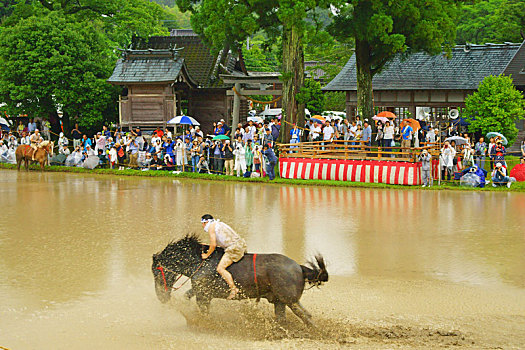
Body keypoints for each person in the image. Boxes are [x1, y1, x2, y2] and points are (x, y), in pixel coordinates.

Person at [200, 214, 247, 300]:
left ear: (206, 222)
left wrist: (206, 255)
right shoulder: (218, 224)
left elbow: (213, 245)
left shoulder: (211, 228)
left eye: (202, 224)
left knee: (220, 269)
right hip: (240, 244)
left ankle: (234, 289)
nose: (202, 226)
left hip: (234, 248)